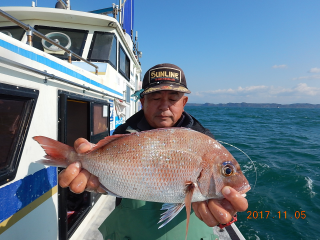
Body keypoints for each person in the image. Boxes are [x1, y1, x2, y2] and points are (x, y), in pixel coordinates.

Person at [58, 63, 248, 240]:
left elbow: (222, 200)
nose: (164, 106)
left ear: (184, 102)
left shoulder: (204, 140)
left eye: (173, 99)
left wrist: (226, 211)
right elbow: (109, 180)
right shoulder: (124, 134)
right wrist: (90, 169)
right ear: (142, 101)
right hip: (131, 232)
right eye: (156, 98)